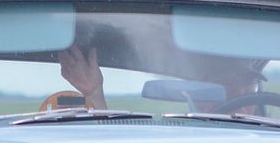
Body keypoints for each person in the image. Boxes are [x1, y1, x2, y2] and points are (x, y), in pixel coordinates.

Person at [56, 46, 266, 113]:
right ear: (198, 92)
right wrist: (95, 94)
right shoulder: (178, 138)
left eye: (249, 84)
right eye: (227, 85)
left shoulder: (273, 138)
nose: (241, 96)